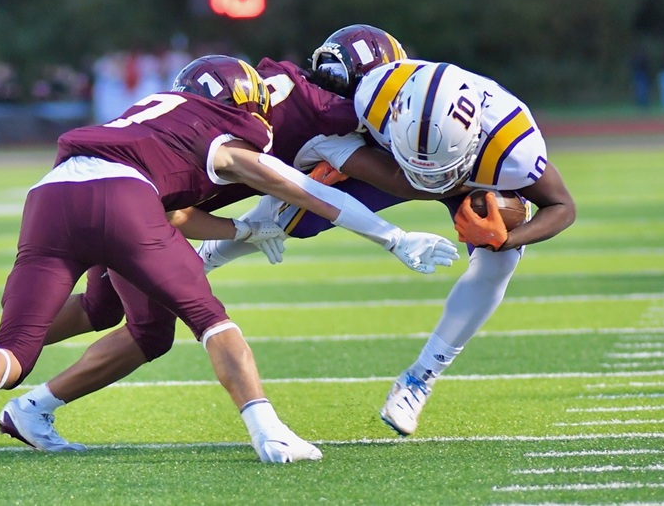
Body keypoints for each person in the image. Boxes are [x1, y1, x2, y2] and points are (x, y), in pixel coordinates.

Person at [0, 54, 459, 481]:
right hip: (125, 200)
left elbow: (178, 212)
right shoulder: (228, 132)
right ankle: (266, 428)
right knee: (206, 320)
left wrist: (245, 230)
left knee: (19, 348)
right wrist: (392, 235)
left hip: (51, 193)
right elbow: (306, 188)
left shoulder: (150, 110)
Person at [200, 58, 576, 437]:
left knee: (499, 261)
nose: (430, 182)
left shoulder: (512, 147)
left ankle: (420, 378)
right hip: (396, 164)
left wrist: (507, 237)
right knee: (297, 211)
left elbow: (563, 207)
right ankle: (204, 257)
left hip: (468, 179)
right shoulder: (374, 97)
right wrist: (337, 154)